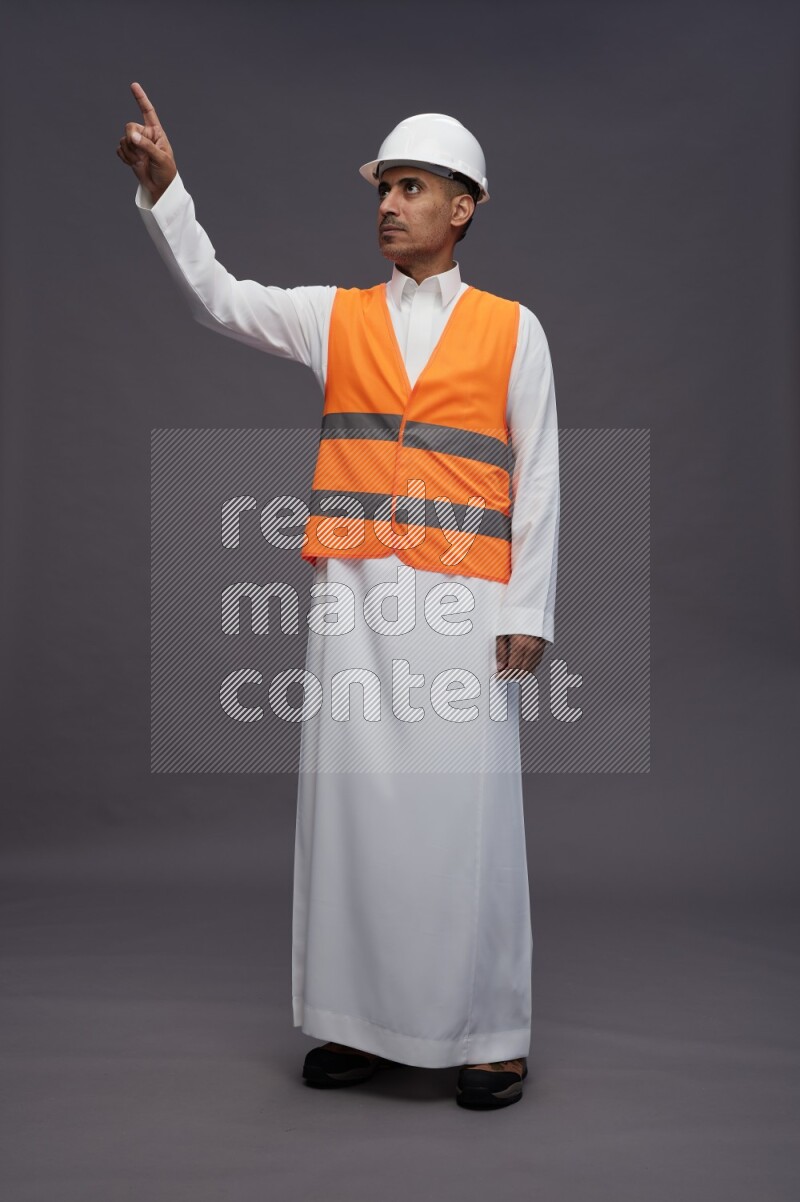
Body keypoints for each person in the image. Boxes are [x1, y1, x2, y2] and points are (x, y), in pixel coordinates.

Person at [118, 82, 560, 1110]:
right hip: (354, 603)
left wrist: (527, 610)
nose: (388, 205)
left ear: (462, 207)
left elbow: (538, 473)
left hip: (463, 604)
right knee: (352, 813)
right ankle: (357, 1023)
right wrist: (168, 191)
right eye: (382, 189)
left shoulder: (514, 330)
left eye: (410, 188)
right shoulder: (334, 316)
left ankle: (490, 1031)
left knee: (468, 816)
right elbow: (218, 296)